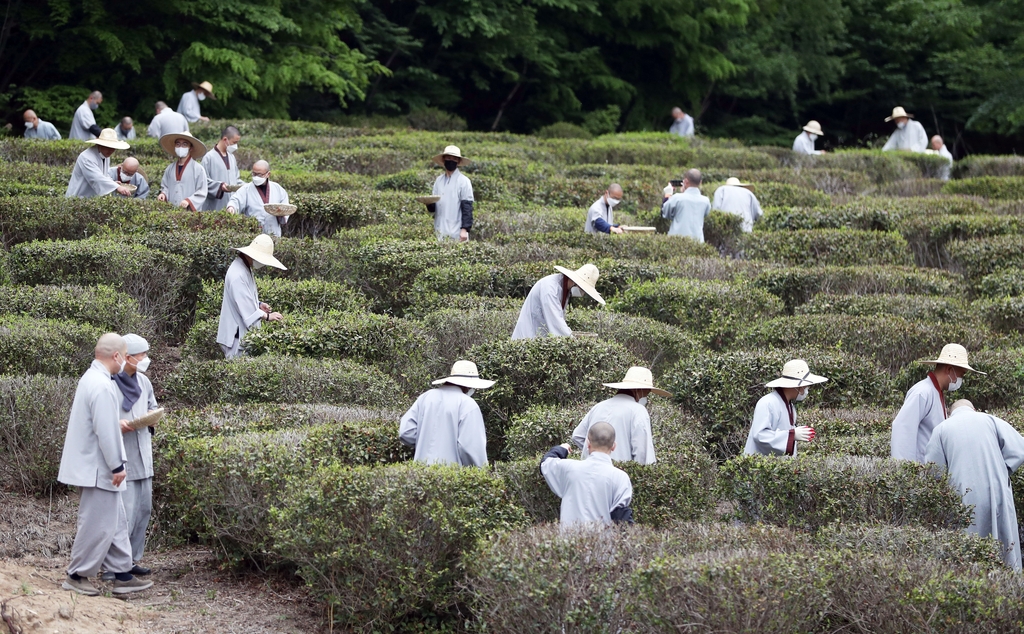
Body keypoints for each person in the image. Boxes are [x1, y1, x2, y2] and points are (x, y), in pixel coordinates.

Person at [58, 333, 153, 596]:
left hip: (96, 465)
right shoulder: (101, 385)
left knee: (116, 520)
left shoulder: (94, 379)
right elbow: (107, 431)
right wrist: (117, 466)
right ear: (117, 356)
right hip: (97, 467)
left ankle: (122, 573)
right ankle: (76, 575)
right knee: (97, 523)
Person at [925, 400, 1024, 570]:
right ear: (974, 409)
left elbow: (934, 473)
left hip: (963, 493)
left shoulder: (941, 429)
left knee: (970, 547)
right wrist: (1002, 471)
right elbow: (1019, 449)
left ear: (949, 413)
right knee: (1005, 542)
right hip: (997, 487)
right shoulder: (990, 419)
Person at [109, 334, 159, 578]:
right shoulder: (110, 383)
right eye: (142, 356)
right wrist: (118, 424)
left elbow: (152, 404)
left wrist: (151, 416)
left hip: (143, 453)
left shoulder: (144, 381)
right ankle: (112, 565)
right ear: (127, 357)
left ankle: (130, 561)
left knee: (143, 510)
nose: (145, 359)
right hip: (124, 455)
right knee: (124, 514)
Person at [891, 344, 983, 462]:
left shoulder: (935, 392)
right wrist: (904, 470)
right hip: (919, 471)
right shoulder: (922, 392)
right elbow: (903, 428)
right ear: (949, 369)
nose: (960, 379)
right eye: (961, 374)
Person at [399, 360, 493, 467]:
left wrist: (424, 443)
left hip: (420, 474)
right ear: (469, 386)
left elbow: (406, 432)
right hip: (450, 478)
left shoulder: (426, 397)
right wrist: (480, 473)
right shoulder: (468, 404)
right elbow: (470, 447)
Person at [540, 423, 634, 528]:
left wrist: (562, 449)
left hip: (568, 542)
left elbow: (545, 463)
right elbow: (621, 518)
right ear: (614, 446)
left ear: (588, 443)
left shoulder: (569, 468)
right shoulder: (620, 478)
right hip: (603, 542)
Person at [571, 366, 670, 464]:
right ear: (638, 390)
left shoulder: (599, 407)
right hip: (620, 474)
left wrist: (595, 453)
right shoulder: (638, 411)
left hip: (590, 471)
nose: (646, 395)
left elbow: (577, 435)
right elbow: (642, 453)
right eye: (647, 391)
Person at [217, 235, 286, 359]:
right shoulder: (238, 274)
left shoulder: (243, 267)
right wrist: (268, 316)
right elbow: (246, 310)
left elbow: (243, 297)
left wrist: (258, 304)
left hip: (239, 334)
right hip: (236, 338)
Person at [743, 359, 827, 456]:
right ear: (797, 386)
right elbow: (760, 435)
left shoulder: (789, 405)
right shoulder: (767, 403)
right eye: (806, 386)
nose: (807, 389)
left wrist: (793, 435)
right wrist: (792, 435)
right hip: (760, 468)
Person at [511, 264, 604, 339]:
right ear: (576, 283)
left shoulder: (564, 290)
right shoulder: (550, 289)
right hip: (527, 338)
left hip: (538, 338)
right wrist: (574, 342)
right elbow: (556, 323)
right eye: (583, 289)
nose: (582, 293)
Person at [422, 145, 474, 242]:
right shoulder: (439, 181)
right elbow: (434, 208)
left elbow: (467, 207)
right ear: (444, 159)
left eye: (454, 159)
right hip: (439, 230)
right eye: (448, 158)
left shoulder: (464, 181)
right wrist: (428, 203)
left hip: (457, 232)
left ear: (458, 161)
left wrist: (465, 230)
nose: (451, 161)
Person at [226, 160, 290, 236]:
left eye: (259, 175)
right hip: (253, 234)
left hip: (274, 233)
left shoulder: (278, 189)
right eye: (254, 174)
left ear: (268, 174)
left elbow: (285, 206)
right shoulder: (246, 189)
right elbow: (235, 200)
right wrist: (231, 207)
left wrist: (281, 213)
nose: (256, 177)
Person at [65, 129, 133, 199]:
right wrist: (116, 187)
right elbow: (97, 178)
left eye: (113, 147)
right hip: (77, 197)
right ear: (100, 145)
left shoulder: (105, 155)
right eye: (107, 147)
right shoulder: (87, 157)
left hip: (89, 199)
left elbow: (104, 174)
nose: (111, 150)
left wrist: (112, 183)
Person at [157, 131, 208, 210]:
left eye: (185, 144)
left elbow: (202, 191)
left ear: (190, 148)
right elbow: (165, 186)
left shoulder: (198, 169)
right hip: (172, 212)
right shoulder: (170, 168)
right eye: (178, 144)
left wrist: (189, 201)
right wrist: (163, 194)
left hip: (189, 214)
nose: (180, 147)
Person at [661, 168, 711, 242]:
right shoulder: (706, 201)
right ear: (700, 182)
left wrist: (668, 195)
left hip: (677, 242)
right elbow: (705, 214)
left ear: (686, 181)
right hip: (697, 241)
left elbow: (664, 213)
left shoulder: (677, 198)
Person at [201, 125, 243, 211]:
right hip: (214, 208)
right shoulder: (208, 158)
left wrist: (247, 186)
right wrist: (219, 186)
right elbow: (203, 182)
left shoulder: (231, 157)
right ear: (225, 140)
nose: (236, 146)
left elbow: (236, 179)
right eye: (234, 142)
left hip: (231, 208)